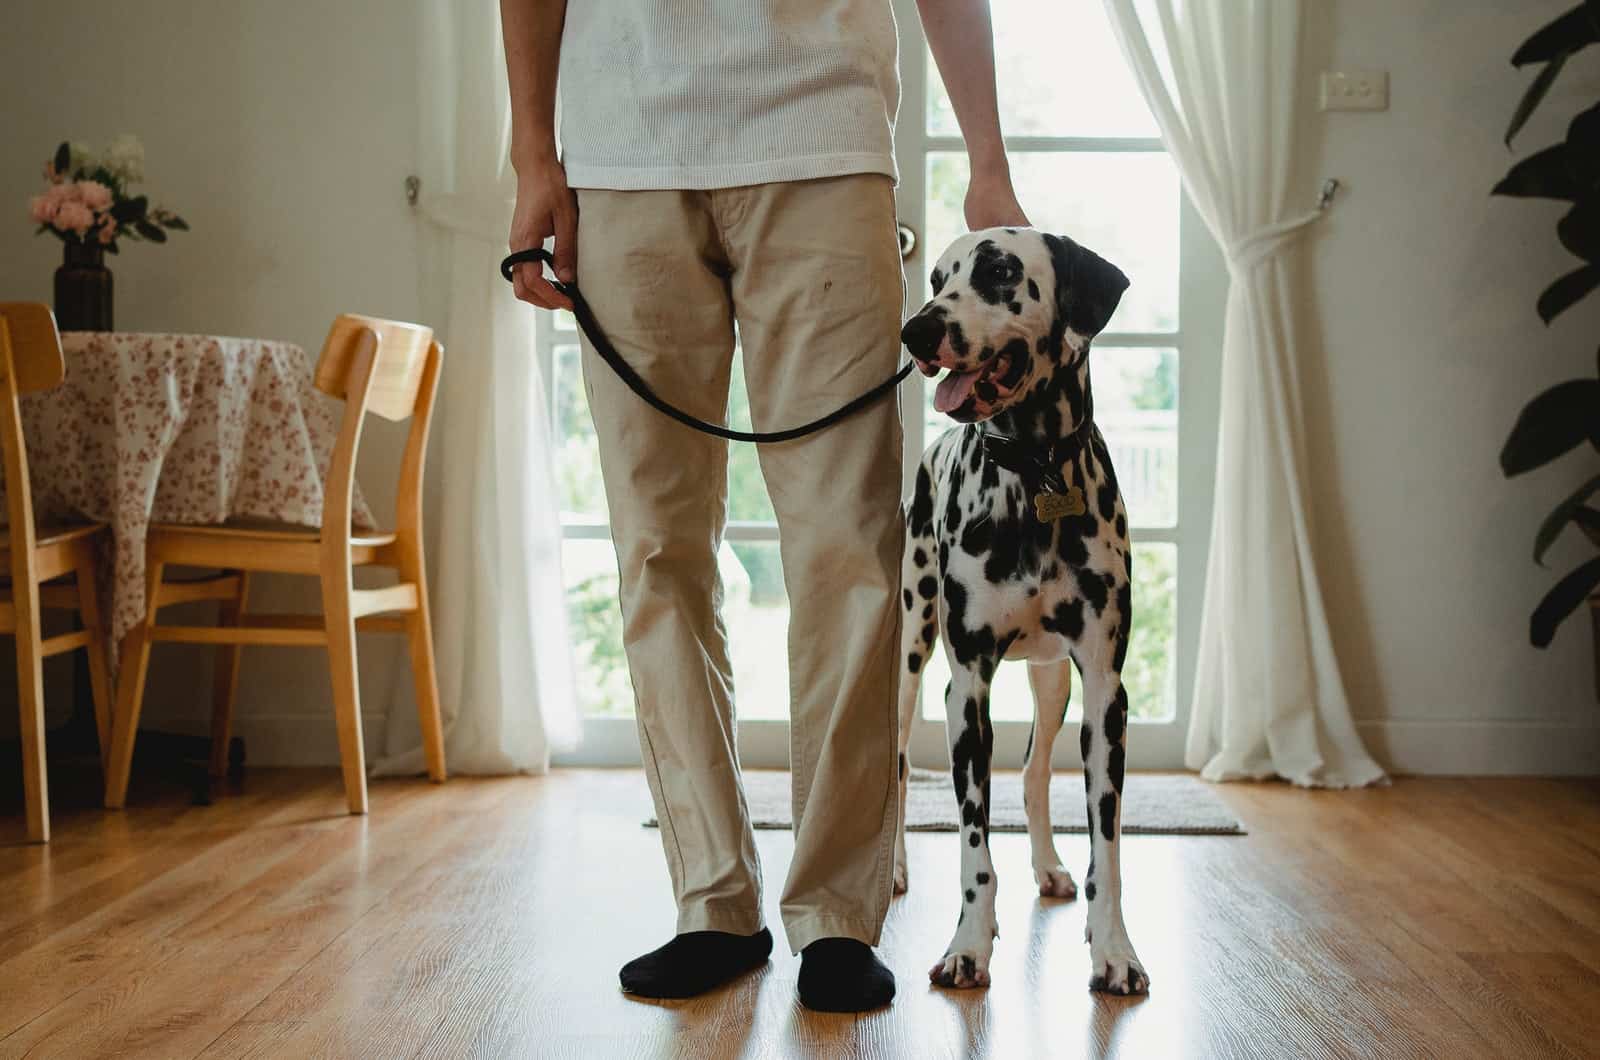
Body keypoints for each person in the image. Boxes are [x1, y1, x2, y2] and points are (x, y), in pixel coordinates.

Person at [502, 0, 1027, 1013]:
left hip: (823, 138)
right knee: (657, 546)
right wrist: (533, 155)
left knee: (851, 549)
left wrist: (988, 156)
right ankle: (712, 899)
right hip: (620, 154)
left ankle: (836, 912)